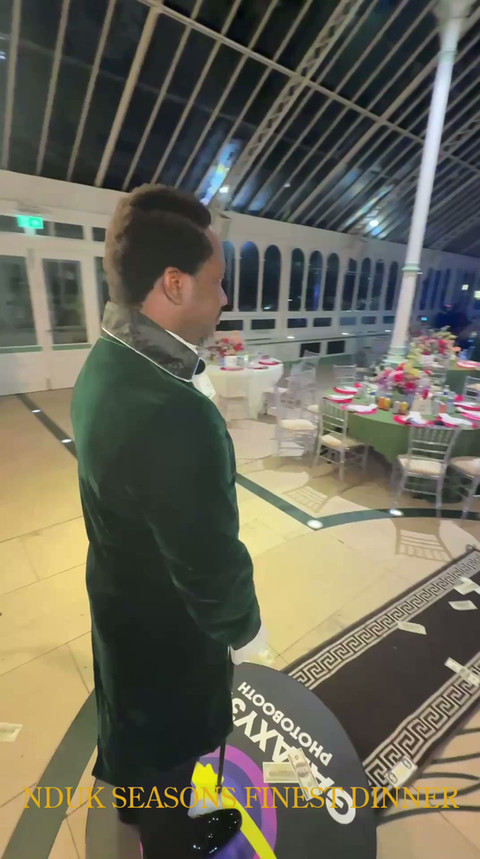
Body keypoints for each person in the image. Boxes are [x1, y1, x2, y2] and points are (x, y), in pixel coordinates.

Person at [71, 185, 264, 858]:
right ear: (175, 284)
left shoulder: (106, 360)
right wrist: (245, 628)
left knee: (132, 731)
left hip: (119, 600)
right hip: (164, 635)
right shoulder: (173, 413)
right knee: (169, 756)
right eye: (217, 282)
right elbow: (207, 565)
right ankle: (170, 839)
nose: (225, 298)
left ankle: (135, 807)